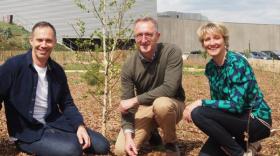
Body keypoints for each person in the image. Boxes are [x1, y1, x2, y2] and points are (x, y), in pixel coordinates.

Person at [0, 21, 110, 155]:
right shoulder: (13, 66)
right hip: (27, 132)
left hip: (54, 122)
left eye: (48, 40)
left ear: (55, 42)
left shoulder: (57, 71)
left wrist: (79, 126)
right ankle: (52, 144)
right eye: (39, 40)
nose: (43, 45)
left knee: (102, 145)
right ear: (31, 41)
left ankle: (62, 140)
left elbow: (67, 103)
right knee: (72, 150)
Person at [183, 22, 272, 156]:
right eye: (207, 39)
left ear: (225, 40)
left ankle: (239, 153)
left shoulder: (236, 63)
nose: (212, 43)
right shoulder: (210, 68)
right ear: (203, 44)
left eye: (216, 38)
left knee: (198, 113)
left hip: (255, 120)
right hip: (233, 121)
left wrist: (200, 102)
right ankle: (249, 145)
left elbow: (237, 105)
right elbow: (218, 104)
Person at [114, 17, 186, 156]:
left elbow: (170, 88)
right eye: (139, 35)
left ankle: (170, 143)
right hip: (146, 108)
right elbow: (126, 107)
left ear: (157, 36)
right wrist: (128, 136)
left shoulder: (171, 51)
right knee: (121, 150)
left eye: (149, 34)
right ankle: (152, 133)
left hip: (172, 103)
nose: (144, 39)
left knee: (161, 104)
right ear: (135, 38)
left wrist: (135, 100)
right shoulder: (129, 65)